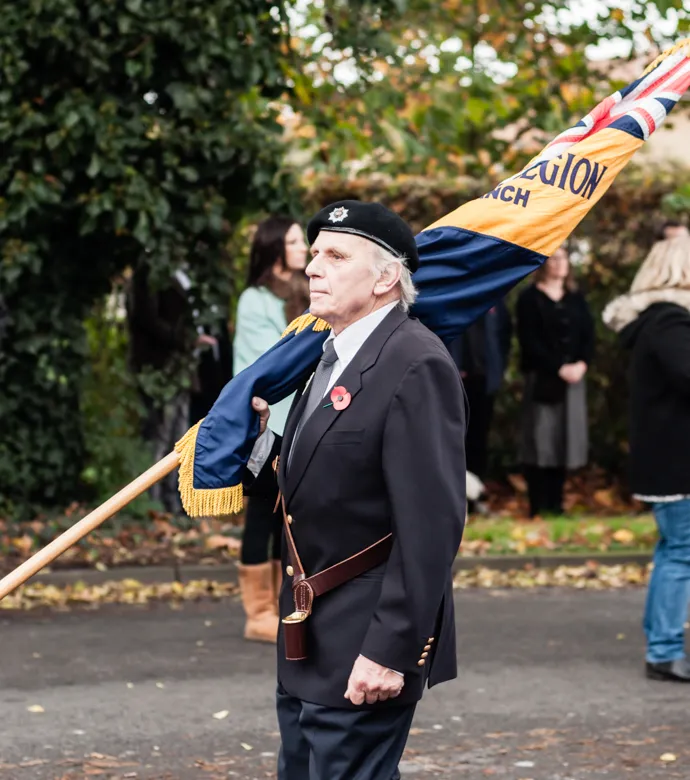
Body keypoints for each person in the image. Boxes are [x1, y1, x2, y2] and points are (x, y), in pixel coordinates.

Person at [245, 201, 466, 779]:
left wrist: (391, 650)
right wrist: (256, 442)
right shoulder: (329, 355)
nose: (313, 267)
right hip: (310, 637)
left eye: (335, 255)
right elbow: (320, 480)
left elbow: (432, 527)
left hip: (365, 643)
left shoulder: (415, 362)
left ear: (386, 277)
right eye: (314, 253)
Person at [603, 235, 690, 683]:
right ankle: (665, 649)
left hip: (667, 461)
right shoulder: (672, 324)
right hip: (679, 463)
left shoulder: (655, 323)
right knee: (681, 552)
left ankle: (664, 643)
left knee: (674, 550)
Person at [233, 216, 309, 643]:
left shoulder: (309, 291)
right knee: (262, 516)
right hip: (267, 425)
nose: (305, 247)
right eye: (296, 241)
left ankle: (288, 606)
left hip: (303, 422)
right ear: (275, 248)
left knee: (291, 520)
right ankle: (257, 613)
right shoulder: (255, 300)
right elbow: (265, 363)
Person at [127, 264, 216, 514]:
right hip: (158, 370)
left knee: (179, 436)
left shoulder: (185, 273)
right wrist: (187, 341)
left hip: (182, 369)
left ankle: (173, 503)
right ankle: (151, 504)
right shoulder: (149, 274)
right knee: (159, 437)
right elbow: (148, 320)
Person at [516, 246, 594, 517]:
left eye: (564, 258)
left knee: (565, 441)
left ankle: (558, 505)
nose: (560, 263)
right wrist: (558, 367)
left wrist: (581, 364)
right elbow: (529, 341)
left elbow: (588, 336)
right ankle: (537, 506)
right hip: (542, 380)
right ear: (544, 264)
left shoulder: (576, 299)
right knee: (540, 441)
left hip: (573, 379)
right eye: (554, 258)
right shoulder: (529, 299)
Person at [447, 301, 512, 508]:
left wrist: (498, 370)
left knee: (479, 441)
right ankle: (453, 500)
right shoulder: (454, 295)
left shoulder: (495, 299)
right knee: (453, 442)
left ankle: (475, 498)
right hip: (454, 379)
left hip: (485, 380)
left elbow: (504, 336)